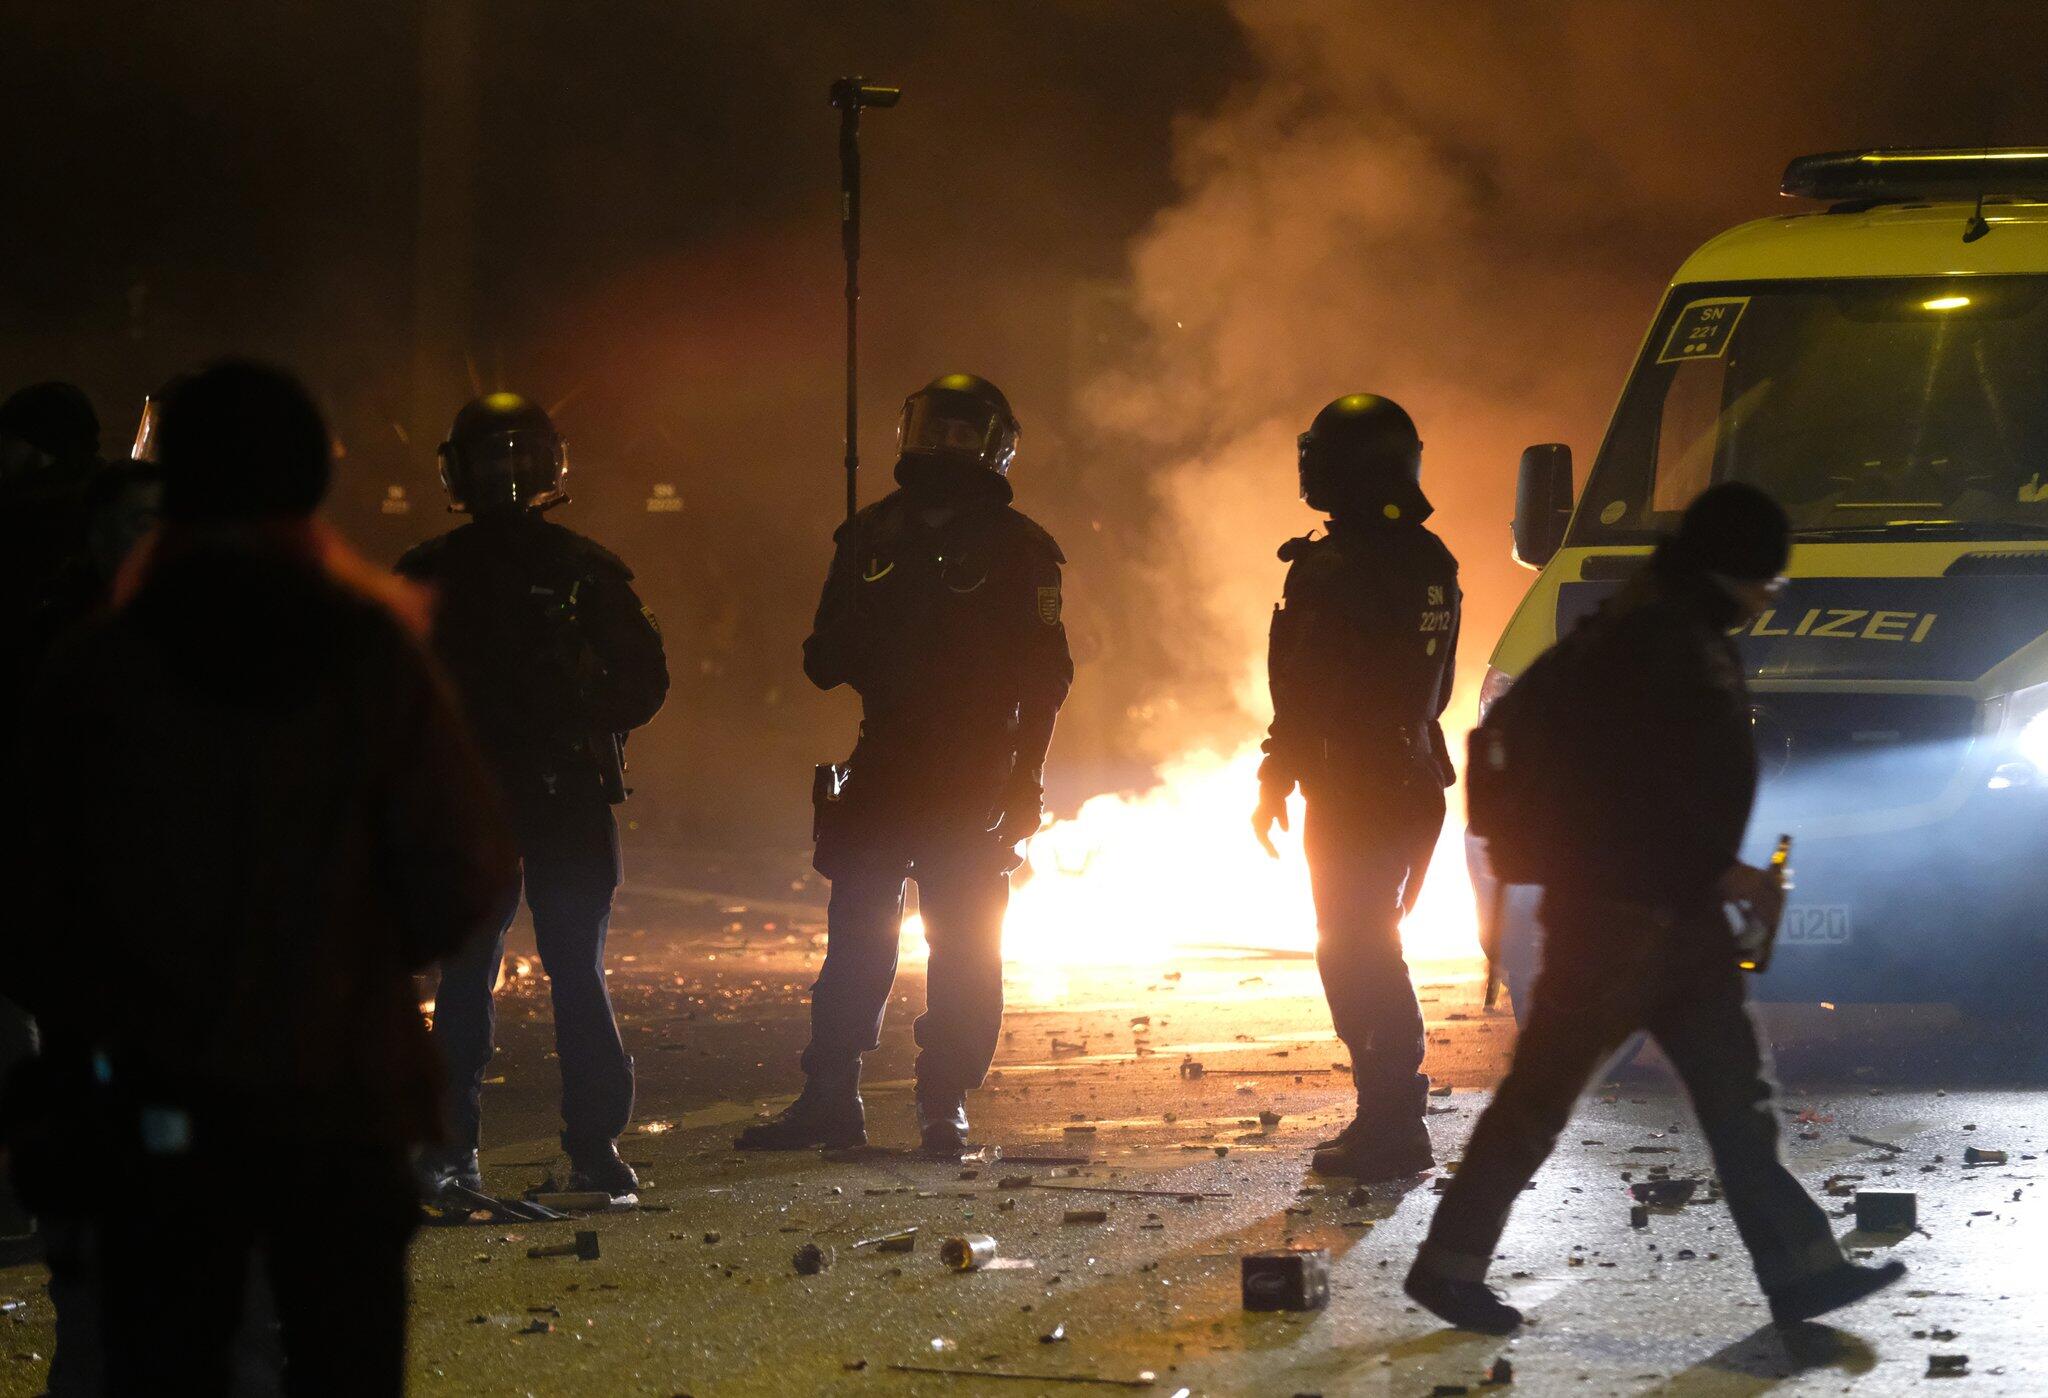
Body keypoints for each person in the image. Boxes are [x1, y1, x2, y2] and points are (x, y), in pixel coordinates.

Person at [0, 359, 518, 1393]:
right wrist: (350, 961)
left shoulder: (101, 665)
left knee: (166, 1354)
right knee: (335, 1355)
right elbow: (462, 872)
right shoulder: (372, 650)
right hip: (342, 1097)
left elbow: (31, 896)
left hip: (159, 1099)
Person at [1405, 482, 1904, 1334]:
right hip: (1618, 920)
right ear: (1734, 571)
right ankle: (1449, 1267)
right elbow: (1646, 795)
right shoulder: (1658, 644)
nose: (1766, 600)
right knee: (1545, 1096)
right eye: (1765, 582)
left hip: (1673, 918)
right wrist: (1725, 873)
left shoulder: (1660, 626)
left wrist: (1717, 876)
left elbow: (1672, 792)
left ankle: (1803, 1273)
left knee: (1735, 1101)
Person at [737, 373, 1071, 1158]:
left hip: (975, 769)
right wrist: (853, 638)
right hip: (885, 760)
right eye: (937, 429)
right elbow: (821, 659)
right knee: (857, 936)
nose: (947, 446)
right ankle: (830, 1095)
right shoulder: (869, 536)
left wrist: (1027, 778)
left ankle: (943, 1102)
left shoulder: (1021, 549)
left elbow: (1047, 676)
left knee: (963, 946)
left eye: (965, 433)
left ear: (992, 444)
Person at [400, 392, 669, 1200]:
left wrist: (566, 720)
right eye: (493, 458)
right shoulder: (452, 572)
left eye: (518, 457)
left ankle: (540, 1150)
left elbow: (642, 682)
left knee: (523, 974)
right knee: (502, 975)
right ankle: (522, 1151)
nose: (507, 474)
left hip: (546, 794)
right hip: (503, 798)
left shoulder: (576, 571)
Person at [1250, 394, 1459, 1181]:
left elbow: (1307, 692)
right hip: (1413, 779)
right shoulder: (1431, 559)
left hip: (1354, 784)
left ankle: (1392, 1123)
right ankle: (1392, 1113)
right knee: (1376, 944)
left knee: (1356, 951)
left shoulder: (1333, 568)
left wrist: (1276, 772)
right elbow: (1429, 686)